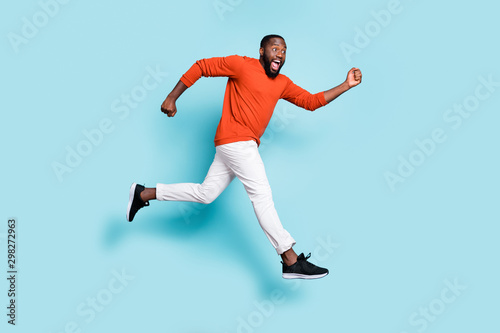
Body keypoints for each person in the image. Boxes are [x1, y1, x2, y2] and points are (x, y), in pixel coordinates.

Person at [126, 34, 362, 279]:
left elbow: (311, 101)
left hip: (233, 145)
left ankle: (143, 193)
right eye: (275, 48)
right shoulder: (241, 65)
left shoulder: (282, 83)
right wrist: (172, 96)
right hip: (238, 142)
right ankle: (289, 259)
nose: (280, 54)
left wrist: (345, 85)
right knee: (262, 196)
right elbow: (202, 66)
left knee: (206, 194)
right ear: (262, 51)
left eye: (284, 51)